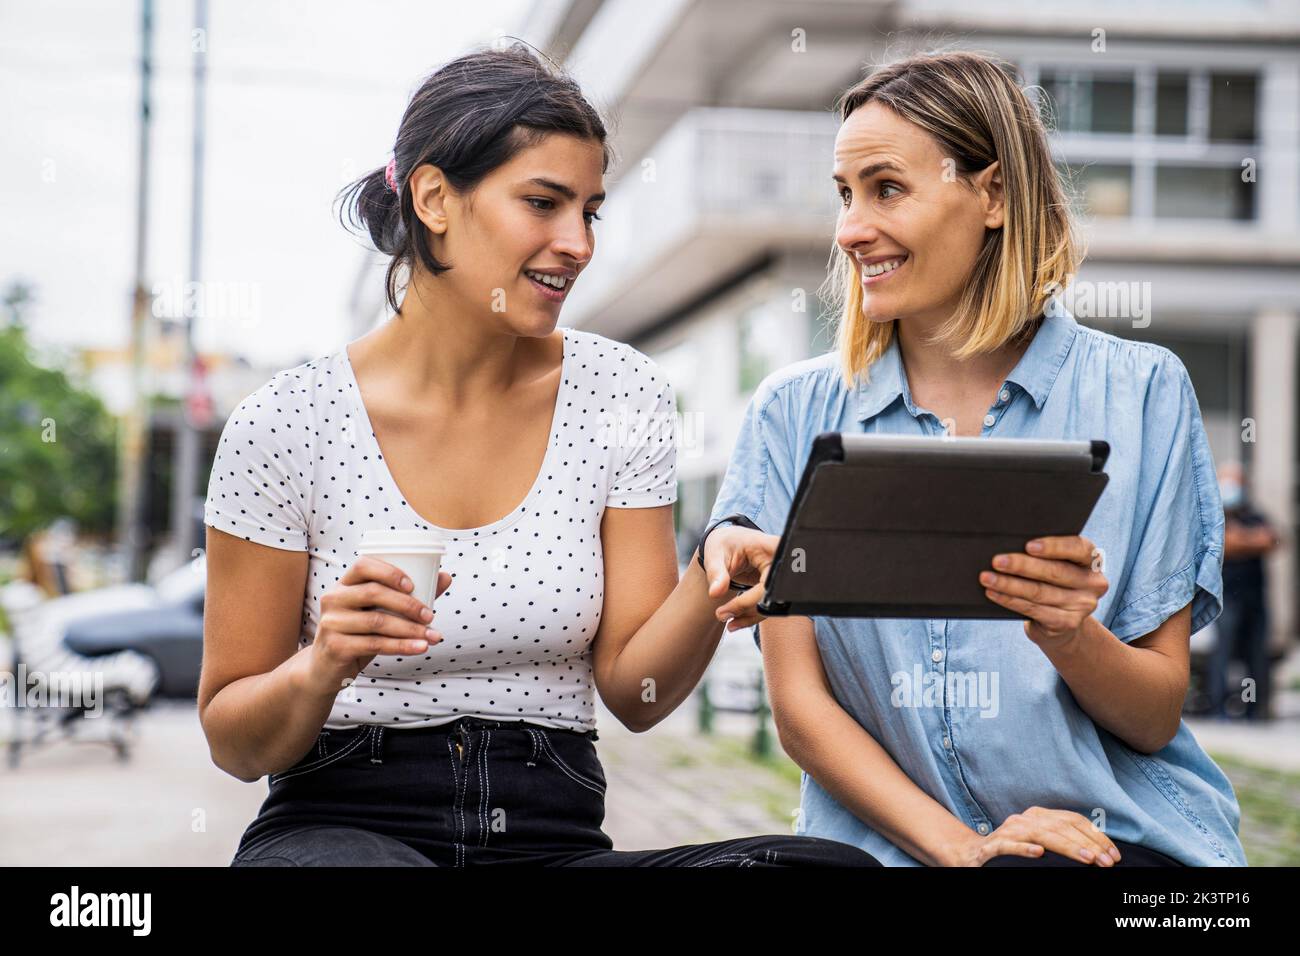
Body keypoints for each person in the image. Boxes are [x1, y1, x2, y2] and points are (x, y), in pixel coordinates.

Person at [198, 44, 874, 868]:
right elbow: (235, 741)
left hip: (550, 834)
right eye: (544, 203)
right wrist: (323, 664)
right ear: (436, 198)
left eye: (589, 211)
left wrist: (709, 576)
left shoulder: (622, 391)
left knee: (822, 869)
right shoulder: (286, 421)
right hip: (344, 823)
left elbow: (635, 694)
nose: (578, 243)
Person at [698, 50, 1247, 867]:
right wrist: (966, 849)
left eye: (887, 189)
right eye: (844, 195)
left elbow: (1155, 714)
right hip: (886, 850)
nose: (850, 228)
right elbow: (802, 711)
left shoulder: (1144, 392)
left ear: (991, 194)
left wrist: (1068, 633)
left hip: (1112, 841)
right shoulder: (792, 411)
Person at [1209, 462, 1278, 721]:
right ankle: (1218, 708)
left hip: (1255, 598)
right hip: (1226, 598)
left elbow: (1271, 539)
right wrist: (1249, 540)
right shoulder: (1215, 515)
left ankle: (1254, 711)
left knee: (1257, 654)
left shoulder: (1254, 514)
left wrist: (1242, 539)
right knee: (1223, 652)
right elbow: (1227, 544)